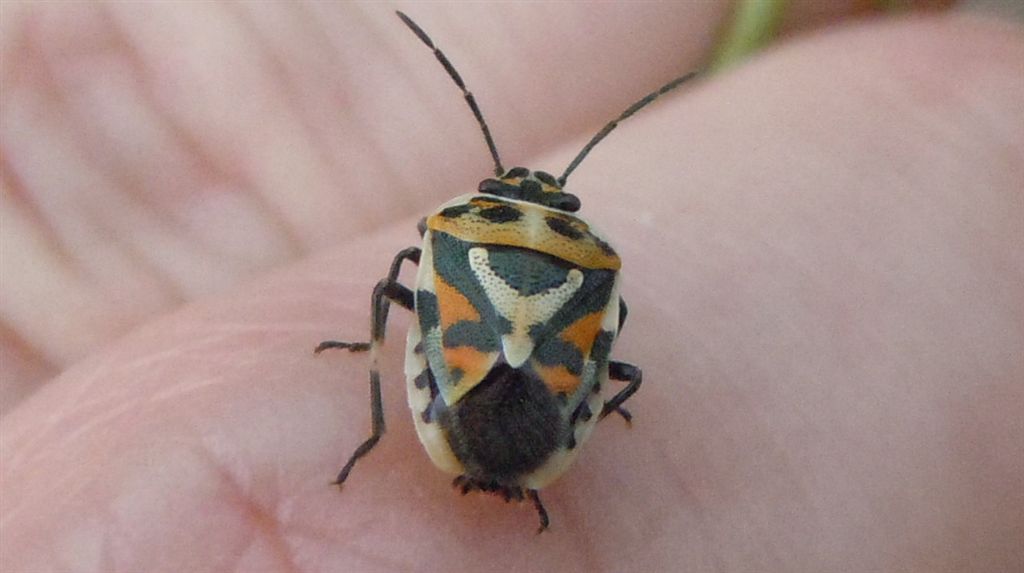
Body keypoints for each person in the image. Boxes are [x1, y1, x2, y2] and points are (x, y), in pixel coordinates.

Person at [2, 4, 1021, 571]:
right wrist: (588, 405)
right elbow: (613, 366)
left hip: (454, 409)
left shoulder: (440, 246)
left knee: (398, 291)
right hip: (544, 444)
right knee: (617, 370)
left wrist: (375, 355)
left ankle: (377, 413)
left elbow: (400, 286)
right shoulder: (595, 270)